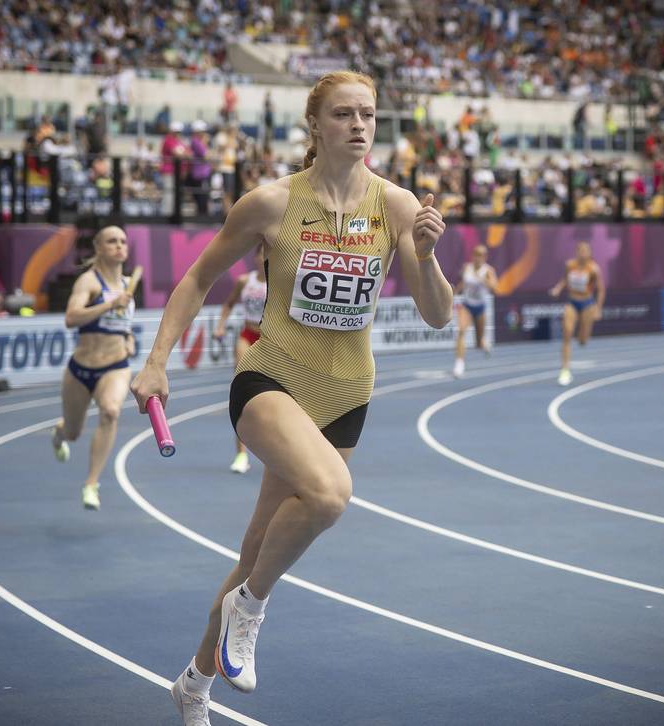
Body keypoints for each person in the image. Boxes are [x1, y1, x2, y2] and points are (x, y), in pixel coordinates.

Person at [131, 70, 451, 726]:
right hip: (272, 378)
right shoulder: (270, 203)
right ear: (314, 124)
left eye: (368, 114)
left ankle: (194, 683)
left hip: (347, 394)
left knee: (255, 550)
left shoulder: (395, 205)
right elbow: (197, 278)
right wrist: (156, 360)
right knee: (331, 496)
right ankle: (249, 609)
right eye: (343, 114)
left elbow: (436, 315)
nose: (359, 125)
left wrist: (427, 256)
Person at [49, 225, 137, 511]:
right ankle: (60, 433)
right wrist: (109, 305)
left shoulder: (127, 285)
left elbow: (123, 325)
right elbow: (71, 318)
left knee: (111, 411)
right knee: (74, 432)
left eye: (123, 241)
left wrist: (129, 338)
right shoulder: (89, 282)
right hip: (81, 368)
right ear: (99, 247)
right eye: (112, 241)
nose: (119, 246)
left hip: (115, 366)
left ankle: (91, 483)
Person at [213, 244, 268, 474]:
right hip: (247, 335)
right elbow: (228, 304)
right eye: (262, 252)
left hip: (270, 339)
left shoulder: (283, 281)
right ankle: (241, 454)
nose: (266, 256)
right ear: (255, 257)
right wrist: (220, 326)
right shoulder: (245, 281)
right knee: (242, 391)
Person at [549, 241, 604, 386]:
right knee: (567, 332)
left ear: (589, 253)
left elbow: (601, 289)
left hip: (587, 304)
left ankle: (582, 333)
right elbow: (565, 280)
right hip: (572, 302)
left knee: (582, 341)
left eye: (586, 251)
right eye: (580, 250)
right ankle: (565, 370)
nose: (583, 253)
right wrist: (558, 288)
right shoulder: (570, 265)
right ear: (577, 252)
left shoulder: (593, 269)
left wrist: (598, 308)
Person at [452, 244, 496, 377]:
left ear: (485, 257)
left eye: (481, 255)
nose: (478, 258)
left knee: (478, 343)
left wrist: (482, 278)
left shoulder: (488, 270)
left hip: (480, 307)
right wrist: (454, 293)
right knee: (461, 331)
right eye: (476, 254)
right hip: (467, 305)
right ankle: (459, 364)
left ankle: (484, 343)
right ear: (472, 256)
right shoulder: (467, 268)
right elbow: (463, 283)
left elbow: (494, 287)